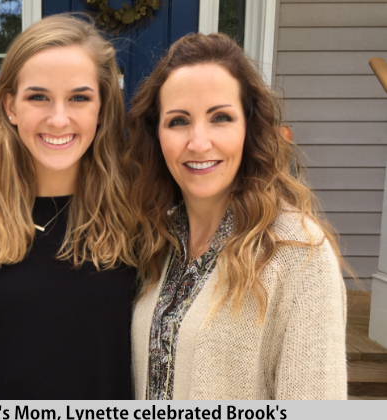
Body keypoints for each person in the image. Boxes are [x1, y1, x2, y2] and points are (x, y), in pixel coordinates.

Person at [127, 33, 347, 400]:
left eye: (221, 118)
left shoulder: (299, 253)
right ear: (157, 134)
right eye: (178, 121)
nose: (198, 142)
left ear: (249, 127)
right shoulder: (156, 239)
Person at [0, 14, 137, 399]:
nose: (58, 118)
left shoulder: (139, 220)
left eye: (79, 98)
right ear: (10, 107)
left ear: (102, 109)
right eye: (38, 97)